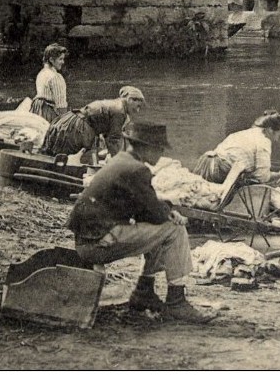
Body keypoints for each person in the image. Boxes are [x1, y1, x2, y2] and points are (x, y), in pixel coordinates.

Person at [66, 121, 213, 323]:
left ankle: (144, 292)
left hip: (89, 240)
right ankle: (176, 302)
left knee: (160, 230)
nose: (161, 154)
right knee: (174, 230)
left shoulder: (122, 161)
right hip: (97, 244)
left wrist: (165, 209)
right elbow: (153, 214)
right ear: (147, 147)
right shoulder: (137, 170)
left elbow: (145, 209)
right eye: (160, 149)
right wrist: (170, 211)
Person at [193, 110, 280, 211]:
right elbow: (262, 178)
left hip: (205, 164)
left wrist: (279, 174)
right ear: (270, 130)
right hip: (221, 170)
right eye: (278, 135)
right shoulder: (264, 142)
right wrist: (279, 175)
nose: (276, 139)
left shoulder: (245, 133)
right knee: (254, 184)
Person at [40, 86, 145, 160]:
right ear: (130, 99)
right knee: (65, 156)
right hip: (79, 128)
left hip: (71, 119)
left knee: (54, 153)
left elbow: (109, 134)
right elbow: (113, 140)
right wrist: (118, 163)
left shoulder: (117, 105)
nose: (138, 110)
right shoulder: (120, 111)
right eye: (138, 106)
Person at [29, 43, 69, 123]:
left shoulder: (41, 74)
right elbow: (61, 106)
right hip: (49, 114)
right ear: (51, 60)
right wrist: (66, 122)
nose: (63, 62)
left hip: (37, 111)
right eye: (60, 59)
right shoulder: (55, 77)